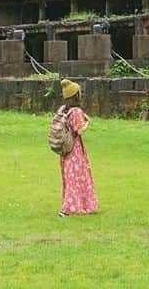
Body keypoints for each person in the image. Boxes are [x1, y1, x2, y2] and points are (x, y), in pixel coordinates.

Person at [58, 79, 99, 217]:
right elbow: (79, 130)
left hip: (66, 151)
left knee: (70, 178)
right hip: (74, 150)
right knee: (76, 177)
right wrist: (88, 122)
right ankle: (68, 208)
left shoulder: (64, 110)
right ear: (76, 95)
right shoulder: (76, 112)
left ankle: (75, 204)